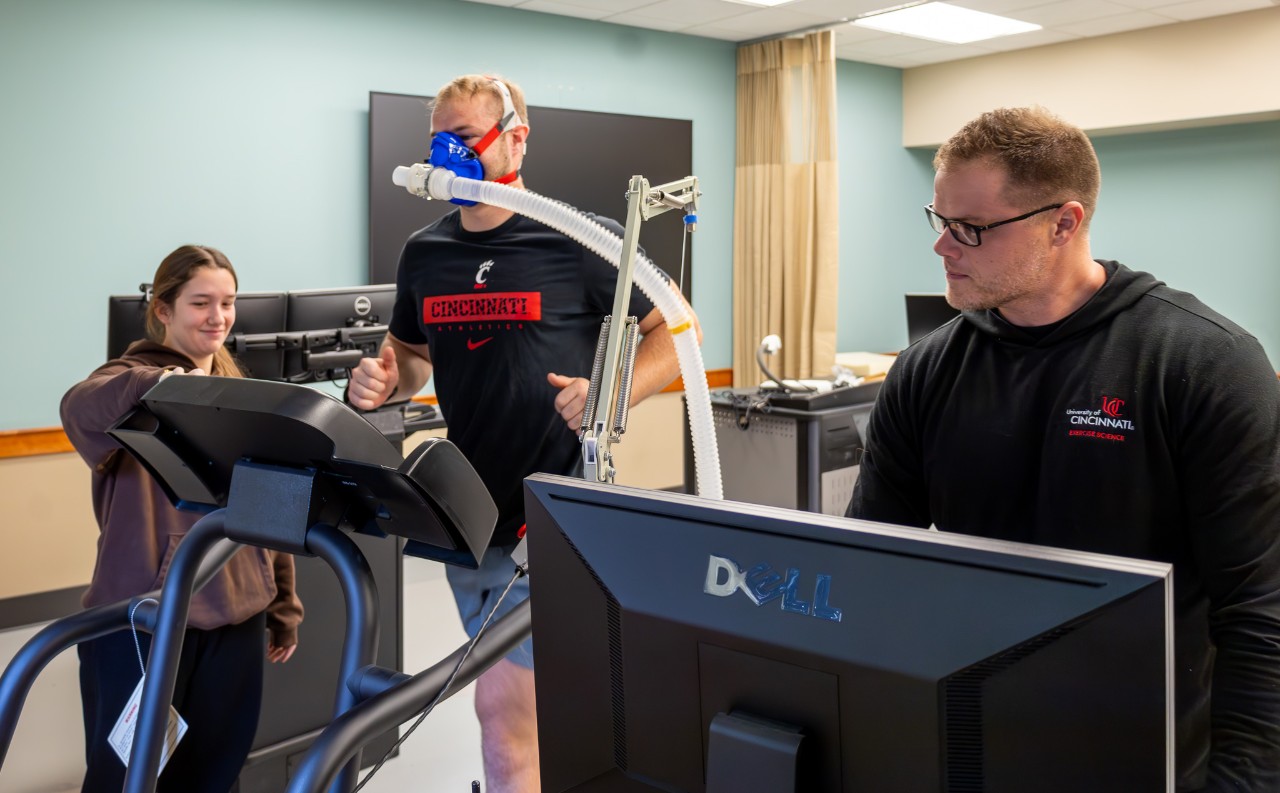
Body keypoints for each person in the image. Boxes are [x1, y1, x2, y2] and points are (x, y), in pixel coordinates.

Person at [845, 106, 1280, 791]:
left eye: (972, 228)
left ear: (1064, 222)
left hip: (1145, 755)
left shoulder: (1202, 363)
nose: (943, 247)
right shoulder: (926, 370)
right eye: (939, 220)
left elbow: (1260, 615)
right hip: (968, 739)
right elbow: (867, 571)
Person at [349, 74, 696, 792]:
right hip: (466, 516)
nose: (449, 153)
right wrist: (386, 381)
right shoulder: (426, 251)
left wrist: (612, 390)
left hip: (554, 510)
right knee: (531, 709)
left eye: (464, 136)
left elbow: (676, 323)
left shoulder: (574, 237)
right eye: (439, 139)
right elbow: (410, 355)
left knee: (501, 705)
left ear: (515, 135)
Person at [61, 244, 303, 793]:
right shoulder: (127, 383)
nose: (217, 317)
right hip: (145, 620)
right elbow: (77, 407)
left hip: (235, 618)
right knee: (128, 777)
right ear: (164, 311)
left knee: (214, 775)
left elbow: (271, 508)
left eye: (228, 303)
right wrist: (169, 386)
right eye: (201, 303)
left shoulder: (241, 392)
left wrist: (283, 604)